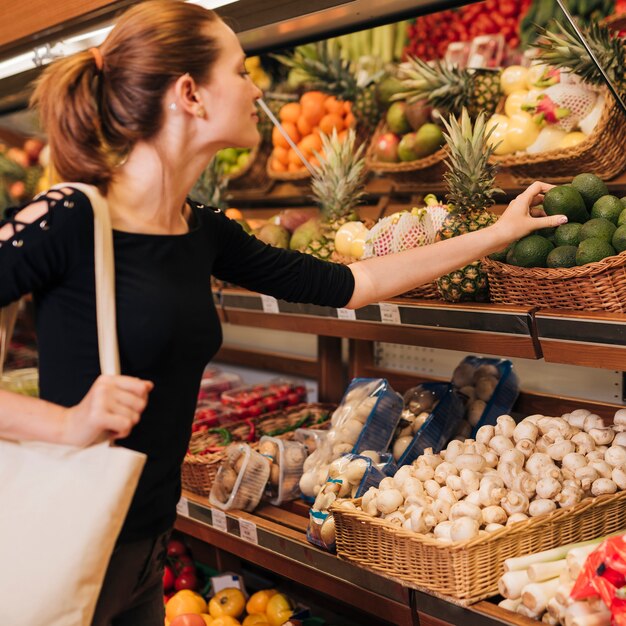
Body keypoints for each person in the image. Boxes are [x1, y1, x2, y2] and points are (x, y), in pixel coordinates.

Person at [0, 1, 566, 623]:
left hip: (144, 543)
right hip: (68, 537)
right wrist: (67, 425)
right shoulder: (71, 219)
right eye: (240, 72)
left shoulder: (203, 232)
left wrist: (494, 233)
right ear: (190, 94)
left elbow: (355, 281)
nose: (255, 88)